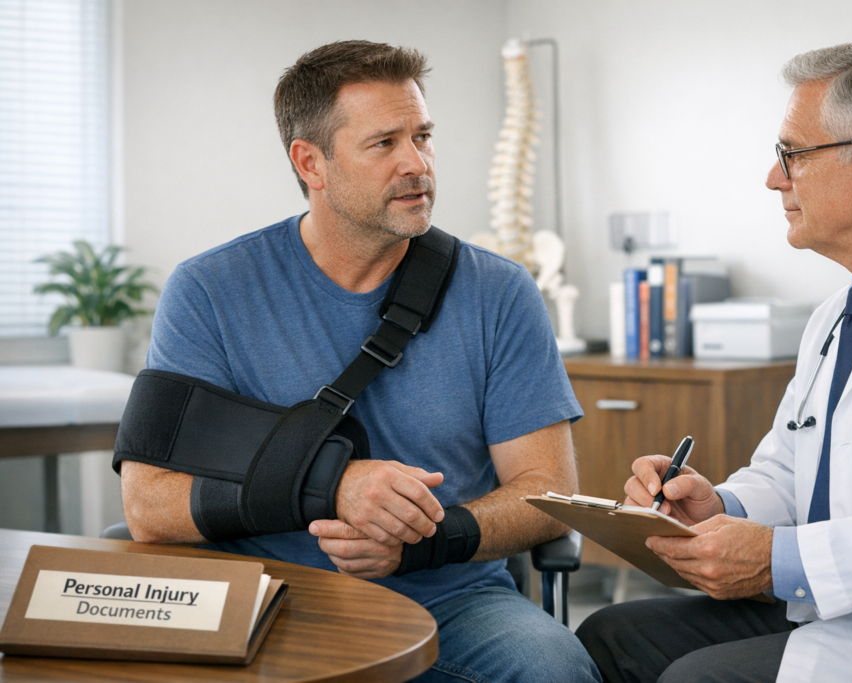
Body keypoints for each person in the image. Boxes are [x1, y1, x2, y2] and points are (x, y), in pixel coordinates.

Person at [118, 40, 600, 683]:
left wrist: (424, 539)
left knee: (555, 671)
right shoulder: (208, 289)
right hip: (266, 599)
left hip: (451, 603)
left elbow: (547, 493)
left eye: (423, 136)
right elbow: (148, 507)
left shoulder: (500, 292)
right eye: (384, 144)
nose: (417, 163)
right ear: (310, 162)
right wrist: (332, 485)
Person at [577, 40, 852, 682]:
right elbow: (788, 473)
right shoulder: (840, 315)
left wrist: (782, 560)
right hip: (841, 613)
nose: (774, 178)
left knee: (692, 678)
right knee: (610, 636)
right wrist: (719, 505)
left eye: (792, 155)